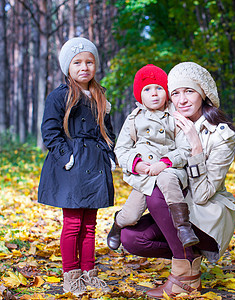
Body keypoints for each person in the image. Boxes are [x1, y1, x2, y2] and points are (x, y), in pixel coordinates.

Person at [120, 61, 235, 298]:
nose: (182, 99)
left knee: (159, 187)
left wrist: (196, 146)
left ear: (203, 94)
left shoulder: (222, 136)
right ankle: (190, 257)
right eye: (175, 93)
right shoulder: (164, 122)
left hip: (205, 217)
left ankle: (184, 275)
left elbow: (203, 194)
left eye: (189, 91)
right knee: (131, 238)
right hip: (175, 212)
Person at [37, 37, 115, 296]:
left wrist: (110, 154)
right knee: (73, 224)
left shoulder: (99, 96)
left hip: (94, 164)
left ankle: (88, 272)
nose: (84, 67)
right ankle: (71, 275)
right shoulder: (60, 95)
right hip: (70, 166)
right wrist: (65, 155)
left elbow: (107, 131)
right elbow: (49, 130)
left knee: (90, 224)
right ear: (68, 67)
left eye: (89, 62)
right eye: (78, 62)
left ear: (95, 65)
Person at [107, 64, 198, 251]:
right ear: (139, 95)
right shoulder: (134, 119)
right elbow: (121, 149)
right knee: (131, 216)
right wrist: (136, 164)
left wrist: (165, 163)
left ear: (166, 92)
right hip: (145, 175)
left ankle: (183, 227)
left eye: (159, 88)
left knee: (168, 179)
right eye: (147, 89)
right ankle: (118, 223)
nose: (154, 94)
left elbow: (185, 148)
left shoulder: (175, 116)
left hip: (169, 169)